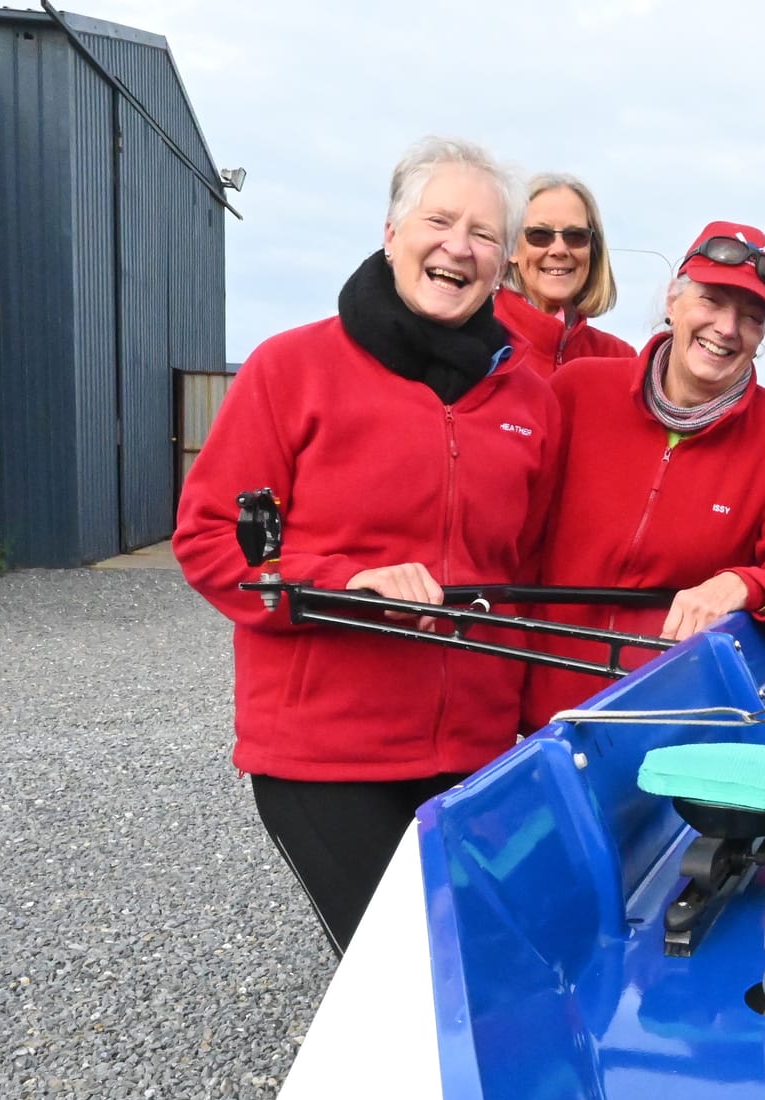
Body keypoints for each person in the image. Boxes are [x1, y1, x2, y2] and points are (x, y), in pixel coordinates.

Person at [175, 136, 561, 955]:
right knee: (401, 969)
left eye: (485, 234)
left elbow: (523, 572)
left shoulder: (529, 396)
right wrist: (347, 582)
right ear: (392, 233)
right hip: (326, 757)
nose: (460, 245)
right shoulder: (293, 369)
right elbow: (212, 542)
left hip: (477, 750)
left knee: (486, 961)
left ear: (503, 267)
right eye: (439, 220)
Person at [519, 221, 765, 728]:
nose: (727, 328)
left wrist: (741, 585)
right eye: (712, 301)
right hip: (539, 709)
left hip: (679, 725)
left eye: (752, 316)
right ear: (674, 298)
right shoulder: (576, 392)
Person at [494, 172, 637, 371]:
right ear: (512, 248)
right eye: (540, 234)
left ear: (592, 249)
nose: (559, 250)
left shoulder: (620, 359)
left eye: (576, 236)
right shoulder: (478, 343)